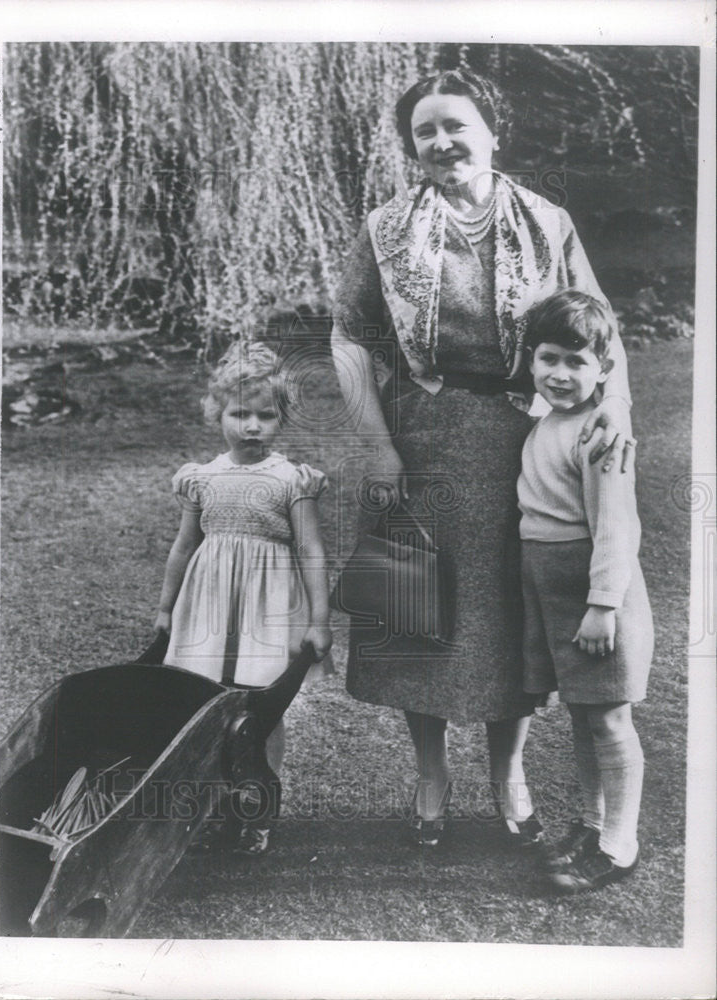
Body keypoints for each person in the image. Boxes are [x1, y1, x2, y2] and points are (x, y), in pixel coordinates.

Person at [330, 68, 634, 847]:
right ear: (412, 147)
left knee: (508, 618)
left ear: (492, 132)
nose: (441, 142)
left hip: (520, 442)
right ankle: (430, 776)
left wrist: (616, 415)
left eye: (454, 126)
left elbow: (599, 326)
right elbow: (349, 334)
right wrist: (376, 445)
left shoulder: (545, 220)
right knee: (412, 614)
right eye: (424, 132)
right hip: (417, 443)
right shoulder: (386, 227)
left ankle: (510, 774)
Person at [158, 340, 332, 853]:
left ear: (281, 419)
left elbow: (311, 549)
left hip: (268, 609)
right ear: (218, 413)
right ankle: (214, 805)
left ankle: (257, 806)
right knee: (207, 704)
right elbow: (185, 546)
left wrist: (319, 620)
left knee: (261, 709)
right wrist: (166, 608)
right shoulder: (202, 478)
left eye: (265, 416)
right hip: (210, 607)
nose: (252, 426)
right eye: (240, 414)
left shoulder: (290, 480)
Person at [518, 290, 653, 892]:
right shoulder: (546, 421)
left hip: (594, 593)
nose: (561, 374)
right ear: (531, 359)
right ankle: (593, 824)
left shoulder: (601, 436)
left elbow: (616, 528)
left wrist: (603, 606)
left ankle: (620, 847)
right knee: (583, 714)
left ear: (604, 369)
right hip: (552, 586)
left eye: (578, 362)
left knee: (609, 720)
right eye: (549, 358)